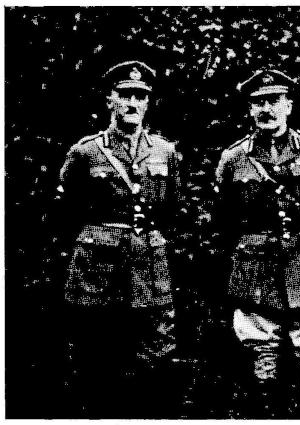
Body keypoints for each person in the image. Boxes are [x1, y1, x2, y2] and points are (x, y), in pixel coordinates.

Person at [214, 69, 300, 417]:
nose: (266, 109)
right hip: (255, 259)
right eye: (258, 102)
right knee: (260, 339)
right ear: (249, 109)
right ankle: (265, 407)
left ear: (289, 105)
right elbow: (223, 218)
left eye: (274, 100)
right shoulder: (233, 157)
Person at [56, 60, 185, 417]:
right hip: (98, 270)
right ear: (109, 100)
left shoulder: (164, 151)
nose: (132, 103)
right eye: (125, 95)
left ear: (148, 103)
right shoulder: (85, 152)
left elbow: (174, 208)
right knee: (96, 350)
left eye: (140, 96)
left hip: (149, 266)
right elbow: (65, 213)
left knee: (155, 348)